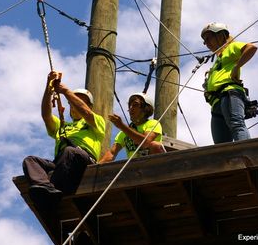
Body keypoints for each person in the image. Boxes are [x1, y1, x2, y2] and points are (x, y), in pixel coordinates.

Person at [23, 71, 105, 204]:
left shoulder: (95, 122)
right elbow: (46, 115)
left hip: (83, 159)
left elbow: (86, 113)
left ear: (89, 106)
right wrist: (48, 89)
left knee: (69, 152)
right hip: (62, 162)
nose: (75, 103)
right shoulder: (62, 125)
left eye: (79, 101)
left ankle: (53, 188)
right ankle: (46, 187)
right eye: (73, 101)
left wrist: (66, 91)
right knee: (31, 160)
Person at [201, 22, 257, 144]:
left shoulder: (231, 47)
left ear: (220, 35)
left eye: (208, 38)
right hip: (216, 102)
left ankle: (246, 153)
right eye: (205, 41)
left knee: (237, 125)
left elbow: (251, 48)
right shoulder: (218, 60)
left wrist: (237, 68)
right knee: (220, 143)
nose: (207, 43)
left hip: (229, 93)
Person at [99, 93, 164, 163]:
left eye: (135, 105)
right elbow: (112, 153)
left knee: (155, 145)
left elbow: (146, 142)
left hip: (154, 165)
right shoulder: (123, 133)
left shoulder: (153, 123)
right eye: (130, 105)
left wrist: (121, 126)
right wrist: (96, 167)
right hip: (135, 167)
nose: (131, 108)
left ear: (146, 108)